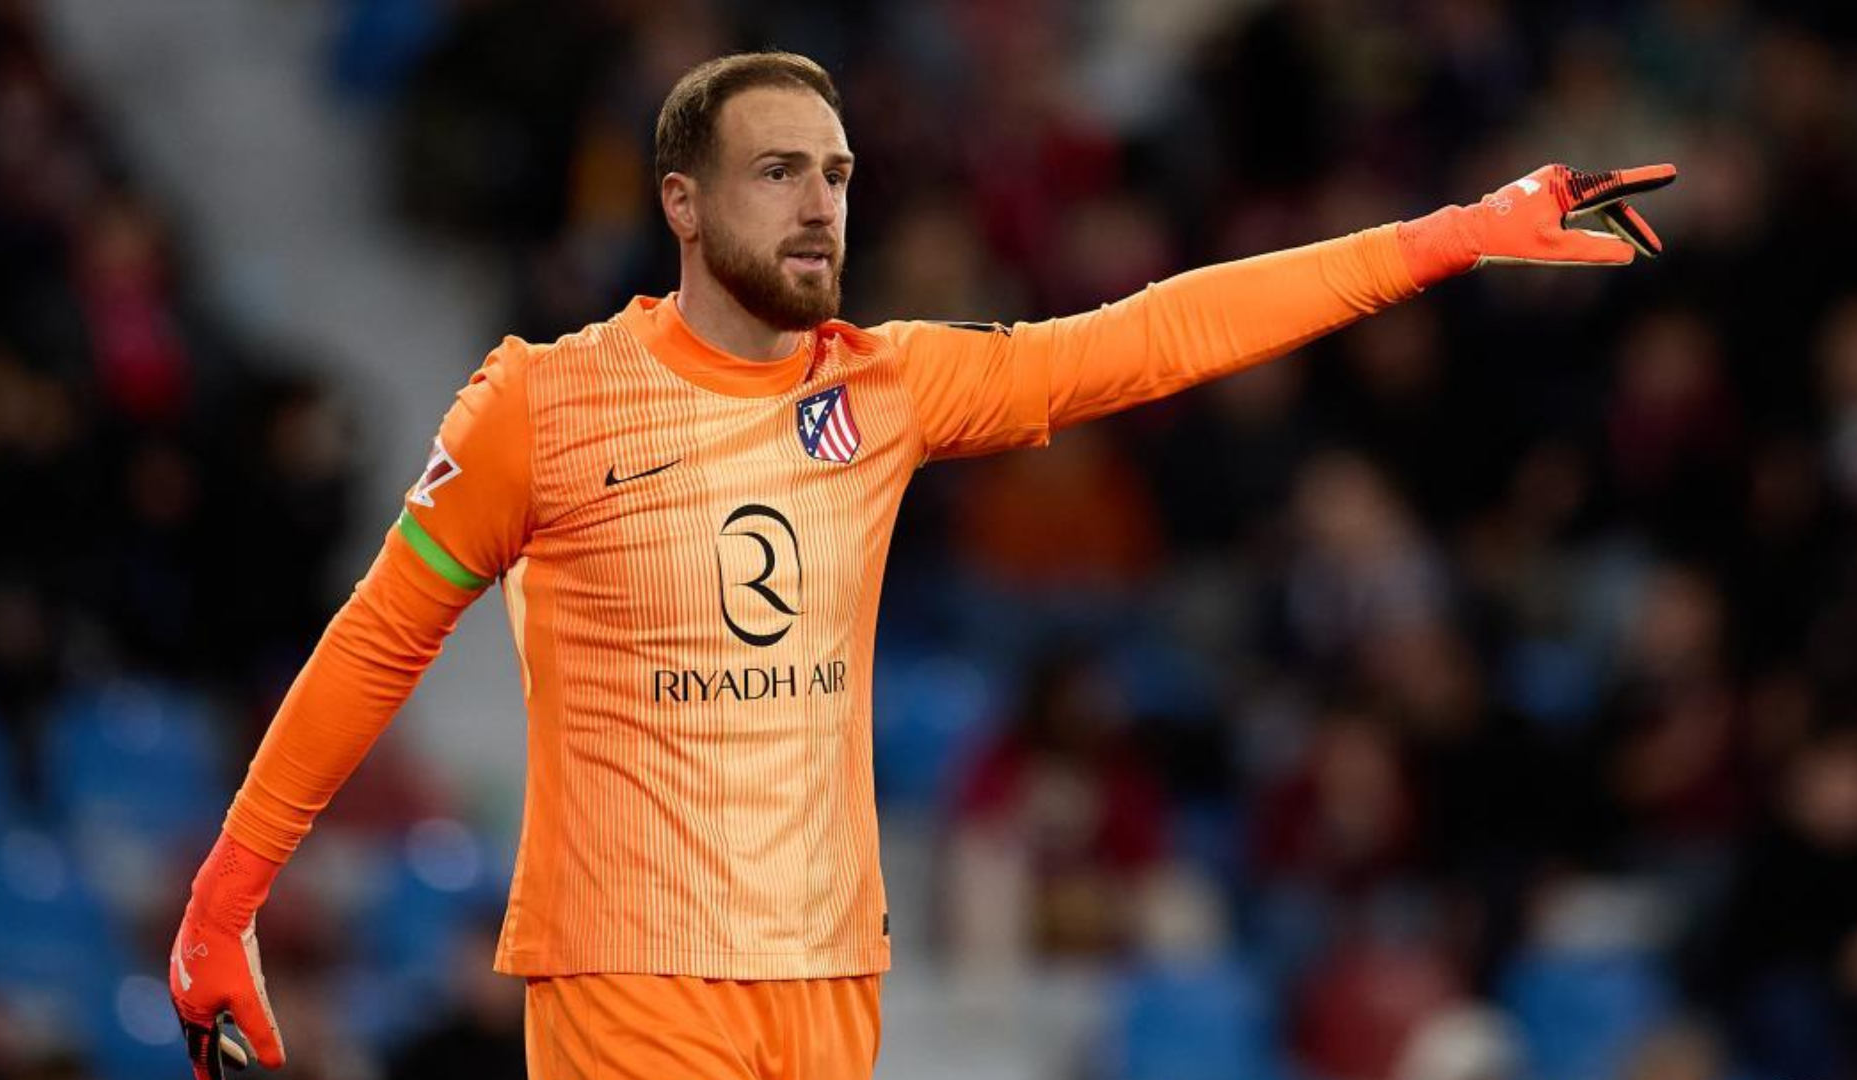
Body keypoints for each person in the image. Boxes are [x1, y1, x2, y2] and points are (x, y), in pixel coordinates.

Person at [166, 51, 1675, 1080]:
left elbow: (1142, 339)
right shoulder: (540, 407)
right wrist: (226, 904)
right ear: (682, 203)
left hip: (832, 965)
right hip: (632, 970)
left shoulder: (883, 387)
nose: (822, 202)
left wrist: (1455, 235)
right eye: (776, 172)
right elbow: (377, 641)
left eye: (836, 171)